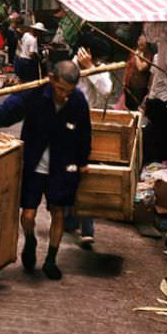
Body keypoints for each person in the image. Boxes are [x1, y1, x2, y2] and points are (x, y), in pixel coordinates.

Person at [0, 61, 91, 280]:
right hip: (34, 164)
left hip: (62, 166)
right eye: (60, 89)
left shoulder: (78, 102)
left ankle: (51, 260)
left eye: (69, 91)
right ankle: (30, 240)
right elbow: (12, 107)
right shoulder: (35, 94)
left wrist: (83, 161)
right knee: (27, 215)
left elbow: (84, 132)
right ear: (51, 78)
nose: (64, 95)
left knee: (58, 212)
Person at [66, 36, 113, 247]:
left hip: (87, 128)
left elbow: (106, 90)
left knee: (84, 174)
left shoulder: (99, 68)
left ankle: (87, 227)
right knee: (66, 172)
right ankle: (69, 218)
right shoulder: (69, 67)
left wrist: (91, 68)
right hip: (66, 126)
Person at [124, 33, 153, 110]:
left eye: (142, 43)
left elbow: (141, 68)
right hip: (129, 85)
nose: (140, 43)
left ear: (146, 44)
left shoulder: (148, 55)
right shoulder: (134, 51)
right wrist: (124, 81)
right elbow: (128, 66)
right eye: (139, 41)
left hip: (139, 88)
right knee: (128, 106)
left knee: (136, 107)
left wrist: (137, 56)